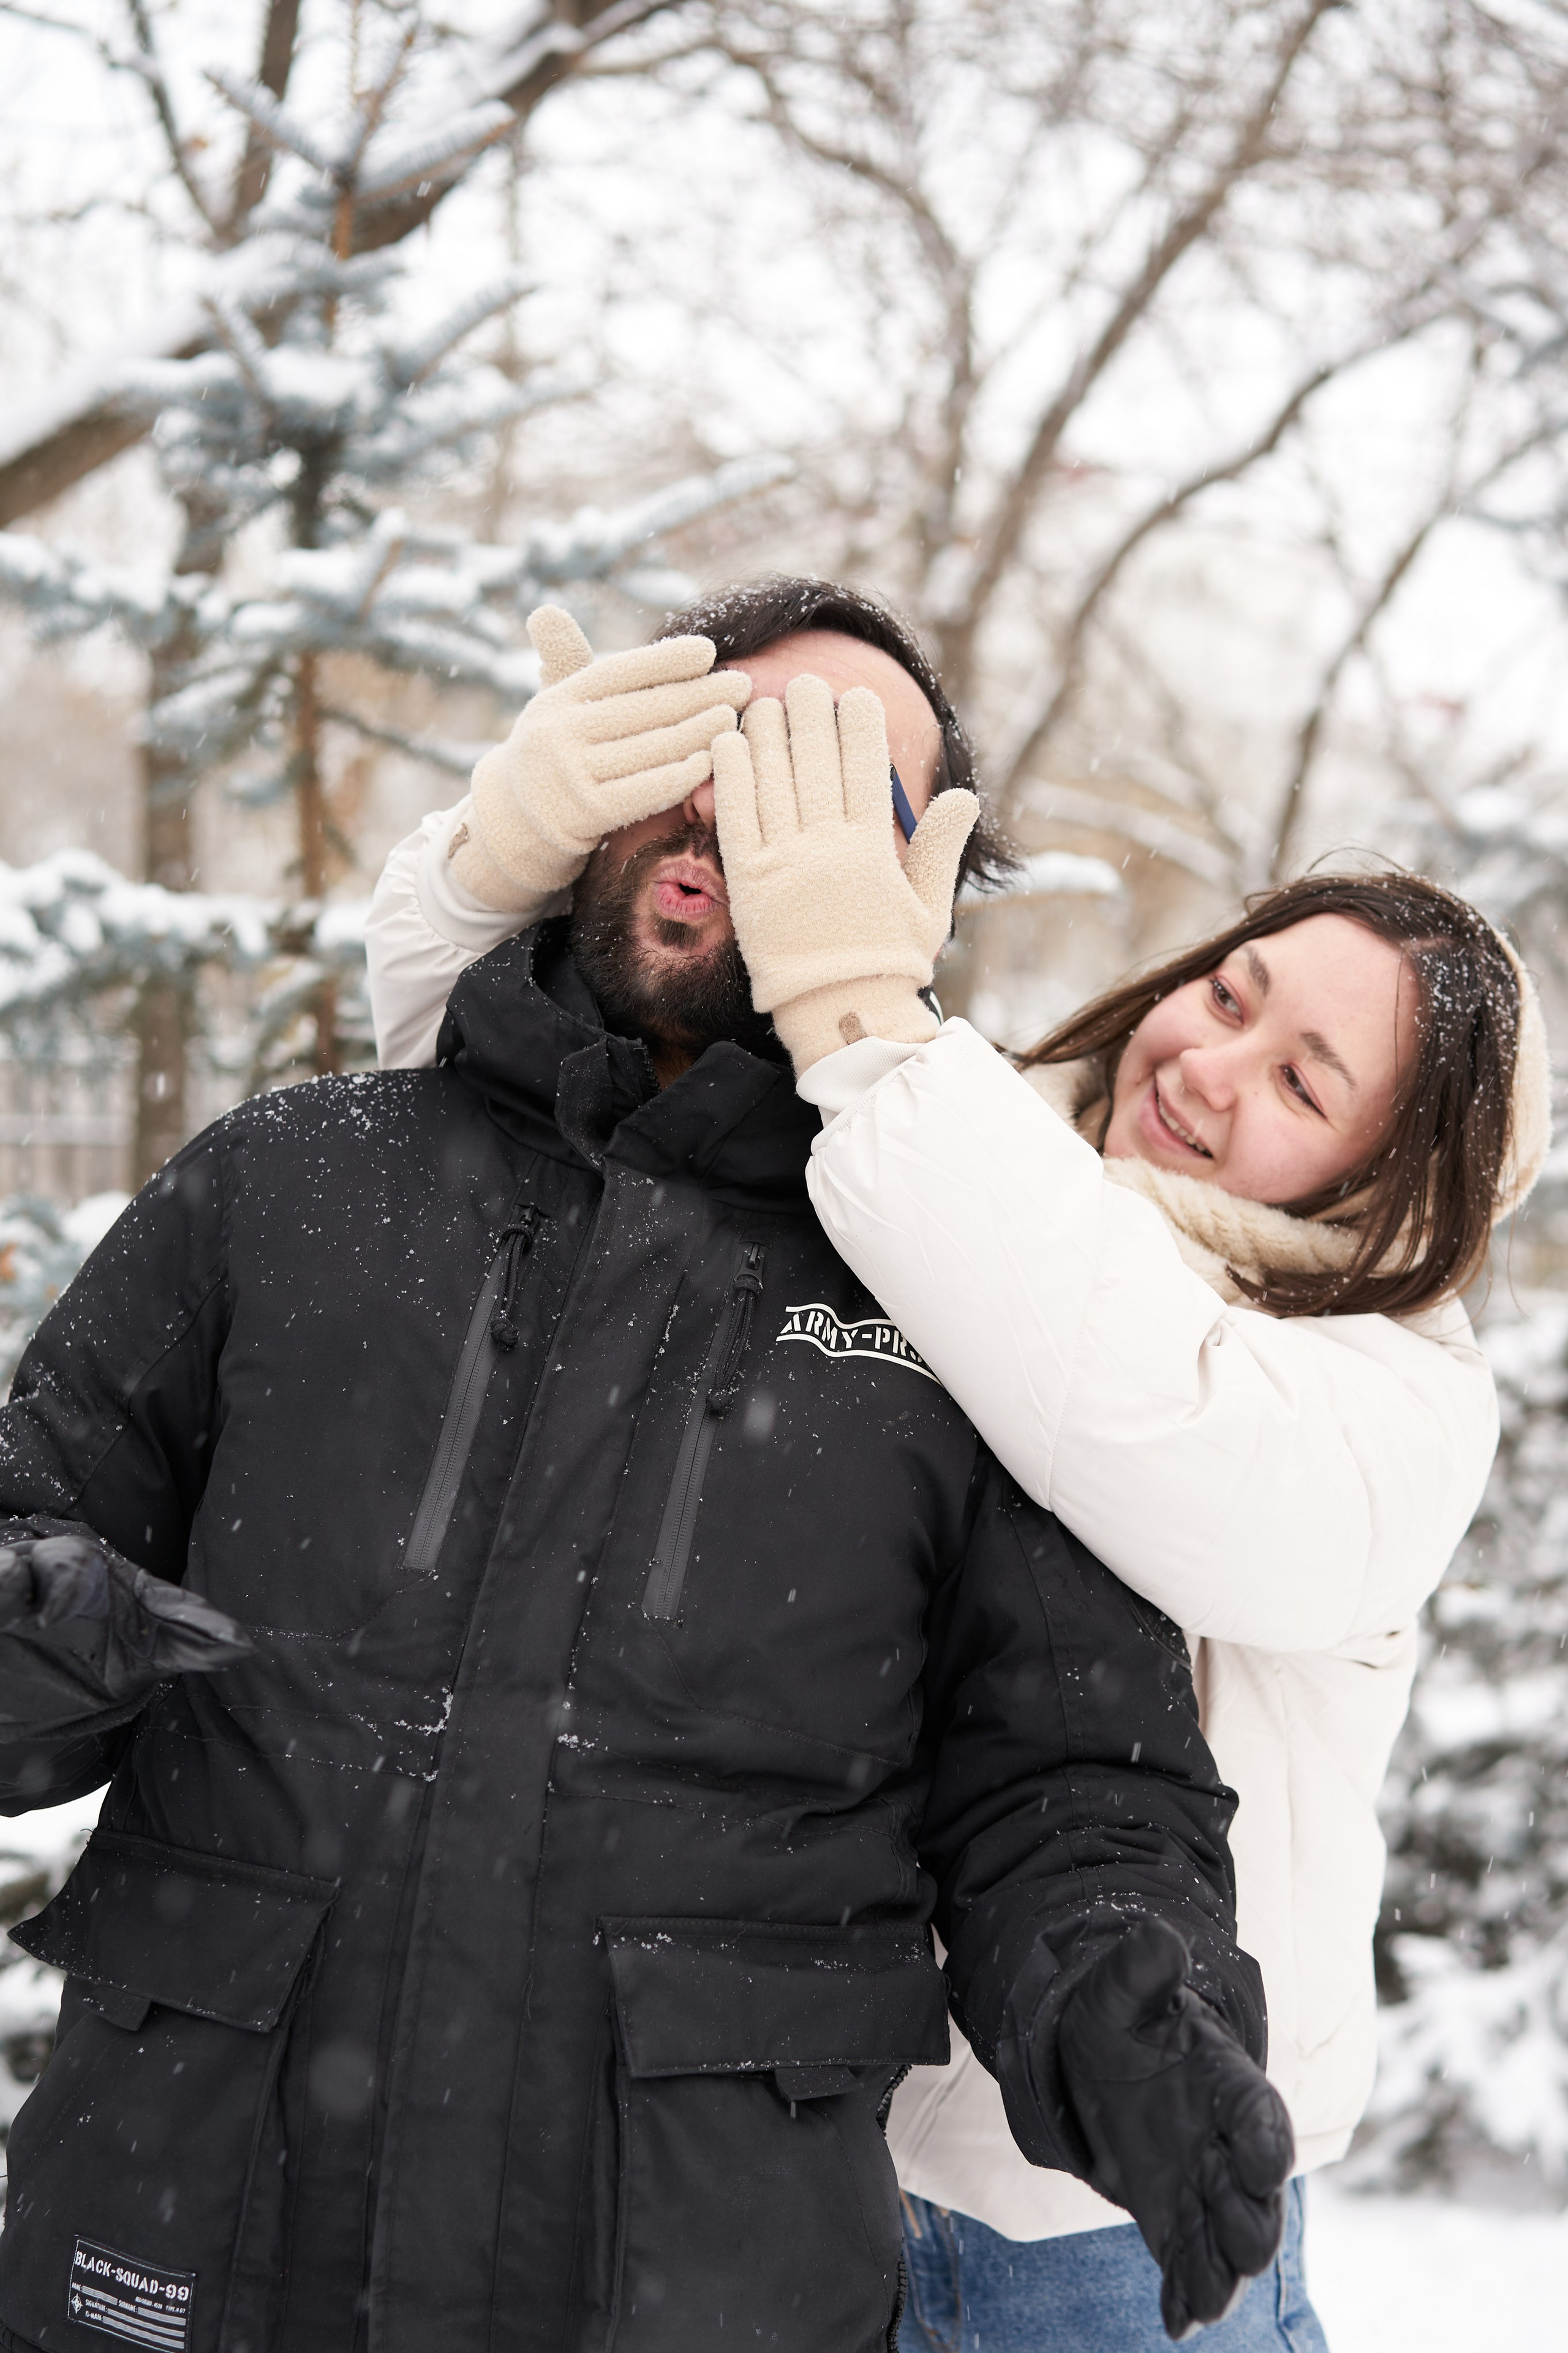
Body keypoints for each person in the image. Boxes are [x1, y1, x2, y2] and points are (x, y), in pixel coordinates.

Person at [0, 587, 1292, 2353]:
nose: (734, 810)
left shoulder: (960, 1293)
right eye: (709, 741)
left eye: (830, 790)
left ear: (908, 892)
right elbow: (35, 1535)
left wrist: (1137, 2006)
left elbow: (1069, 1791)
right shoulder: (288, 1183)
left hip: (692, 2282)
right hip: (184, 2243)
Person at [699, 679, 1551, 2352]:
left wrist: (869, 1016)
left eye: (1304, 1083)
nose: (1207, 1064)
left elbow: (1135, 1400)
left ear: (1389, 1199)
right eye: (1227, 993)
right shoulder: (968, 1175)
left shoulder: (1395, 1407)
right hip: (803, 2184)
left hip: (1116, 2246)